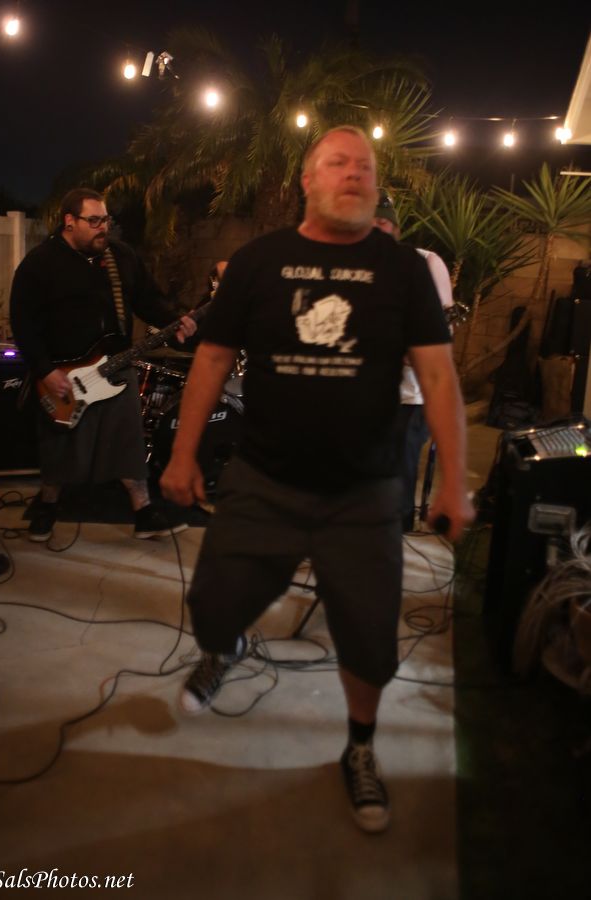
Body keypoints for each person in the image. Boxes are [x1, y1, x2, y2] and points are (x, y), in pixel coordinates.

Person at [160, 126, 474, 834]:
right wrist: (182, 455)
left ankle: (359, 747)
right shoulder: (259, 261)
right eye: (337, 162)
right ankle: (226, 646)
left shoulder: (403, 270)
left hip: (365, 491)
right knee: (213, 605)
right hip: (264, 479)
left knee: (368, 638)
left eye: (364, 165)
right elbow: (211, 359)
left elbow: (436, 376)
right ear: (307, 180)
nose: (353, 172)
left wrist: (454, 481)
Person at [10, 187, 196, 542]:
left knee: (128, 442)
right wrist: (44, 370)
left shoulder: (121, 257)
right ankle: (47, 506)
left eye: (105, 220)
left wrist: (175, 321)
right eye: (94, 221)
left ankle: (144, 512)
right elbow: (23, 322)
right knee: (59, 447)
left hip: (116, 366)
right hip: (63, 373)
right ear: (69, 221)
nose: (103, 228)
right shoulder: (40, 263)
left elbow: (149, 300)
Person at [374, 189, 455, 532]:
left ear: (395, 227)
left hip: (411, 393)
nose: (375, 229)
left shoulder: (425, 262)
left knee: (400, 462)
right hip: (369, 387)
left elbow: (444, 328)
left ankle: (397, 527)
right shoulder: (355, 265)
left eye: (382, 223)